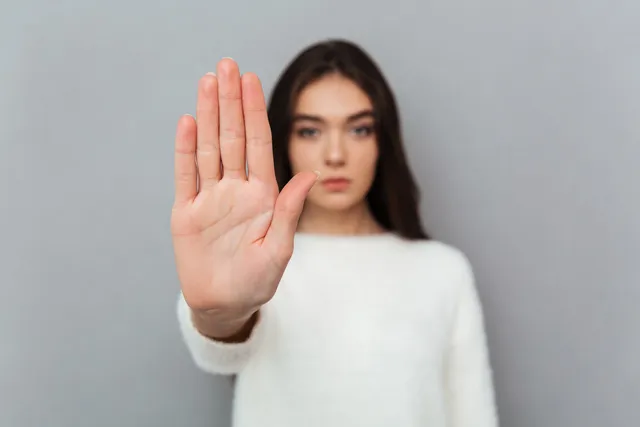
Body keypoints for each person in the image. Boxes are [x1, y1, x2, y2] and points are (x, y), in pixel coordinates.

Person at [171, 39, 499, 427]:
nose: (336, 155)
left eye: (359, 129)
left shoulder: (442, 271)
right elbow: (220, 349)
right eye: (310, 131)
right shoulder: (253, 260)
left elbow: (473, 415)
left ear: (383, 140)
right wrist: (220, 315)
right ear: (285, 141)